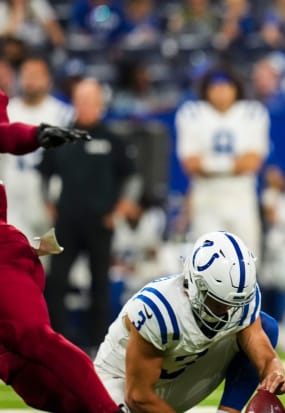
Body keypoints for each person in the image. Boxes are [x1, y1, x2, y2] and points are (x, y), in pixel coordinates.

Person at [0, 88, 126, 412]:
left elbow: (7, 135)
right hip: (45, 235)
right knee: (26, 375)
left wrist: (36, 134)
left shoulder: (110, 139)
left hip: (9, 252)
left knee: (34, 339)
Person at [94, 230, 285, 412]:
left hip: (179, 372)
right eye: (217, 302)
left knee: (266, 326)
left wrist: (274, 372)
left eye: (232, 304)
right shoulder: (159, 309)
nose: (226, 311)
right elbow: (138, 397)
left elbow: (262, 350)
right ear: (195, 283)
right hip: (124, 382)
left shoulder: (238, 297)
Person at [38, 78, 141, 350]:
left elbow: (132, 178)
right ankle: (56, 341)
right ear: (74, 102)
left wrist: (118, 210)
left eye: (90, 100)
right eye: (80, 100)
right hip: (65, 223)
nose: (84, 105)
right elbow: (43, 174)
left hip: (100, 223)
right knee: (56, 281)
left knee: (100, 285)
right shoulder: (60, 136)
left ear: (99, 104)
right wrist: (47, 203)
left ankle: (98, 345)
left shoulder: (112, 139)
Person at [175, 66, 269, 258]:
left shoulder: (252, 112)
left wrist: (208, 163)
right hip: (207, 198)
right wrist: (234, 164)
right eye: (216, 87)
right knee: (205, 264)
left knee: (247, 262)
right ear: (206, 90)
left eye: (226, 87)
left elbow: (252, 162)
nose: (221, 92)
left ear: (236, 89)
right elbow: (190, 164)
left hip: (241, 197)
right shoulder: (192, 113)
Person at [3, 56, 74, 241]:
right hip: (15, 198)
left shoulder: (64, 115)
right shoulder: (8, 112)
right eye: (26, 75)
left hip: (52, 198)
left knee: (54, 261)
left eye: (36, 75)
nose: (30, 80)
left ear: (48, 79)